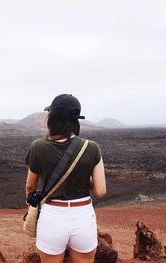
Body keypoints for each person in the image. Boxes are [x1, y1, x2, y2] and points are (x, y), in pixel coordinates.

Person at [25, 94, 106, 263]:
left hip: (52, 216)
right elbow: (100, 190)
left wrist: (31, 203)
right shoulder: (91, 147)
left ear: (51, 118)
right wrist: (83, 175)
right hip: (83, 216)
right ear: (75, 121)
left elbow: (30, 187)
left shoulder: (38, 146)